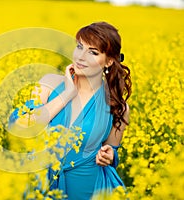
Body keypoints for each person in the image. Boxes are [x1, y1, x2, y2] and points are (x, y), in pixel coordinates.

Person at [9, 21, 131, 199]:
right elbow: (19, 125)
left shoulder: (118, 106)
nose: (81, 57)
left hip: (88, 187)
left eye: (93, 52)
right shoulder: (49, 83)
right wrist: (67, 94)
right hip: (40, 184)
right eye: (79, 47)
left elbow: (110, 150)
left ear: (109, 61)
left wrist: (110, 155)